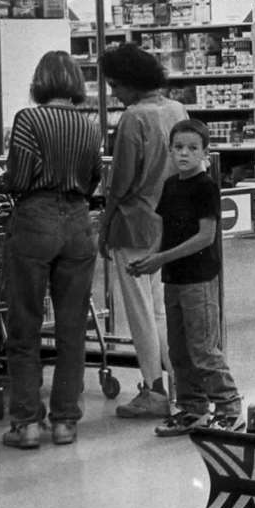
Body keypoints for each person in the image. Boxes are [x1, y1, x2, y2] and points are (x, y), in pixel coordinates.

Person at [0, 51, 104, 450]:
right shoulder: (90, 125)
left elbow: (19, 178)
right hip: (78, 223)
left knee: (24, 325)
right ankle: (64, 423)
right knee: (72, 328)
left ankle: (26, 424)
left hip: (35, 220)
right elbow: (93, 177)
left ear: (39, 81)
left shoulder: (29, 119)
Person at [127, 120, 244, 436]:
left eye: (193, 148)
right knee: (178, 350)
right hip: (174, 278)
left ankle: (230, 408)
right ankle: (193, 408)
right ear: (169, 150)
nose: (184, 154)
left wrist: (161, 258)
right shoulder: (170, 185)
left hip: (199, 280)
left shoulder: (206, 187)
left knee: (203, 348)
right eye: (178, 147)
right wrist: (150, 256)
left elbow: (206, 237)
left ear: (206, 152)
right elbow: (164, 231)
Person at [98, 41, 189, 419]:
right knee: (159, 309)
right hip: (169, 222)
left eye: (115, 85)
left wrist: (104, 226)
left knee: (138, 311)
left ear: (131, 83)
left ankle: (153, 389)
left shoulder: (133, 118)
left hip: (134, 225)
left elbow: (120, 183)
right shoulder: (176, 109)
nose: (113, 94)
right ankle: (176, 384)